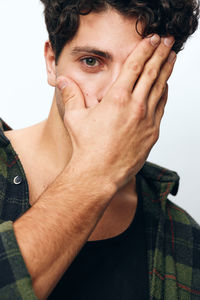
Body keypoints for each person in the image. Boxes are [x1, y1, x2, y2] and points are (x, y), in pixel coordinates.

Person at [0, 0, 200, 299]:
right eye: (92, 61)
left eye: (140, 71)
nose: (115, 97)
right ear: (52, 61)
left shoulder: (183, 238)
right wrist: (96, 174)